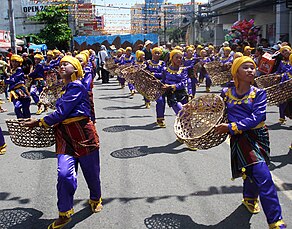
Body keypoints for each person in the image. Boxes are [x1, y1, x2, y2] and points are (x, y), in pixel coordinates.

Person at [24, 56, 102, 229]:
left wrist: (39, 122)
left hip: (83, 135)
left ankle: (95, 198)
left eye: (66, 64)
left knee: (92, 174)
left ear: (75, 69)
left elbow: (61, 113)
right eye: (60, 64)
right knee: (64, 174)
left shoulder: (77, 86)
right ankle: (64, 213)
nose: (61, 66)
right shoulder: (64, 89)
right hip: (64, 137)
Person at [215, 56, 286, 229]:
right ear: (236, 72)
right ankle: (275, 221)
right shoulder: (226, 93)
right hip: (239, 138)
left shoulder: (259, 93)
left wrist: (232, 127)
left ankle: (252, 200)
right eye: (245, 67)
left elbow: (258, 117)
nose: (250, 71)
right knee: (258, 172)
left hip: (256, 137)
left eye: (252, 68)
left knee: (258, 171)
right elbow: (215, 109)